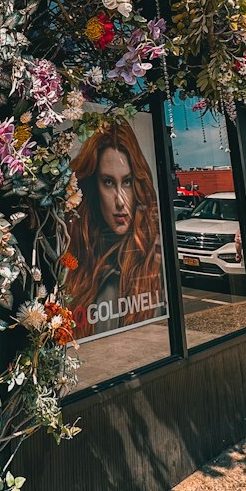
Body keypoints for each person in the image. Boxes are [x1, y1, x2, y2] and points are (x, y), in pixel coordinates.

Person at [65, 120, 163, 339]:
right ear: (93, 185)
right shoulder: (78, 256)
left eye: (127, 182)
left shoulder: (151, 261)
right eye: (108, 182)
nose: (120, 201)